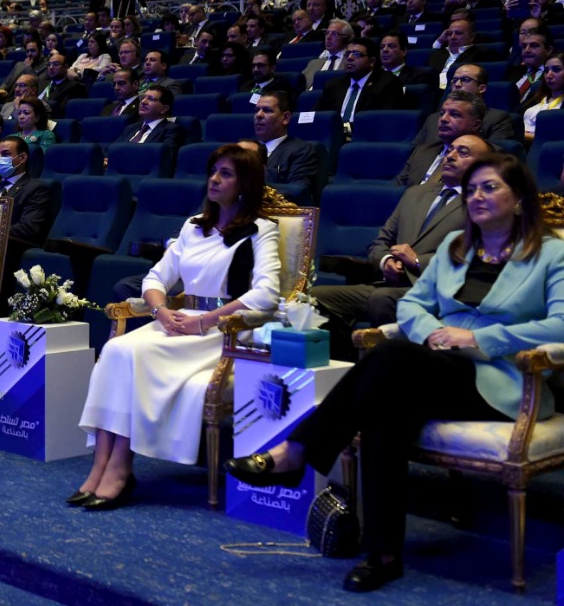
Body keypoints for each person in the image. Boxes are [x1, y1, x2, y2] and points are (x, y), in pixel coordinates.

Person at [228, 153, 564, 593]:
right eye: (471, 190)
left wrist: (476, 338)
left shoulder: (551, 253)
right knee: (385, 409)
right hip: (435, 368)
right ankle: (382, 555)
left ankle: (298, 450)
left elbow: (560, 325)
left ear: (519, 198)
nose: (477, 196)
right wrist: (434, 335)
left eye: (490, 187)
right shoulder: (456, 246)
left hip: (503, 381)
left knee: (389, 362)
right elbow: (412, 305)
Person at [73, 144, 279, 510]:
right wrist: (161, 312)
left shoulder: (262, 231)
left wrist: (205, 321)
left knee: (132, 355)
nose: (214, 179)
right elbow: (156, 278)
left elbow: (266, 294)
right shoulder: (194, 226)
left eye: (226, 174)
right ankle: (100, 465)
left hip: (220, 331)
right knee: (116, 349)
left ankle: (119, 466)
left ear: (245, 184)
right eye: (213, 171)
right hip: (178, 322)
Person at [315, 134, 491, 360]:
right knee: (315, 298)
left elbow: (475, 255)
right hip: (389, 283)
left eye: (463, 152)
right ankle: (348, 363)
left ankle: (393, 369)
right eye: (450, 151)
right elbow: (381, 241)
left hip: (439, 292)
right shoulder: (415, 194)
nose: (451, 156)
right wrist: (386, 261)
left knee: (382, 299)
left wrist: (417, 261)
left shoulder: (482, 203)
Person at [0, 136, 53, 316]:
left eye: (5, 154)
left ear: (22, 158)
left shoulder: (35, 188)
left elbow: (29, 228)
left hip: (9, 250)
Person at [254, 91, 320, 204]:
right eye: (256, 110)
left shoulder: (301, 151)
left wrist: (251, 191)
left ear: (285, 118)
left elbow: (298, 191)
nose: (258, 115)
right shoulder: (245, 148)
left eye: (267, 110)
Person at [116, 84, 187, 149]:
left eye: (151, 99)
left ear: (164, 109)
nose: (143, 102)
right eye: (142, 98)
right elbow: (114, 149)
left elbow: (165, 155)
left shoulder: (170, 130)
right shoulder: (130, 128)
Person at [523, 51, 564, 143]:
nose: (549, 75)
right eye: (546, 71)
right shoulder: (535, 96)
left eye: (556, 70)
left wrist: (523, 136)